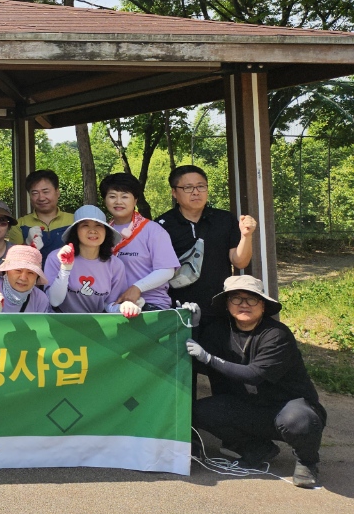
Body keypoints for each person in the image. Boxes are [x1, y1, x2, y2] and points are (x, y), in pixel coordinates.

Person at [188, 276, 325, 488]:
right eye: (236, 299)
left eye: (251, 299)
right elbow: (198, 364)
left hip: (288, 408)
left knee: (300, 421)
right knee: (200, 411)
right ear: (227, 304)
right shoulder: (217, 331)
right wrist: (193, 327)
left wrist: (210, 358)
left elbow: (253, 374)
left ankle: (307, 461)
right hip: (249, 409)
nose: (244, 304)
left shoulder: (277, 334)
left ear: (263, 305)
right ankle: (256, 448)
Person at [156, 165, 258, 317]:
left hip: (218, 304)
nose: (196, 192)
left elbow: (240, 262)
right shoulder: (162, 225)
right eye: (188, 187)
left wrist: (246, 236)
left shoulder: (224, 219)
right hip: (177, 307)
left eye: (201, 186)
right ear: (174, 192)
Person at [100, 172, 180, 311]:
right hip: (114, 306)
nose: (118, 201)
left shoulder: (153, 230)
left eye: (125, 196)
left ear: (135, 200)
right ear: (105, 200)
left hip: (150, 305)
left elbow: (166, 270)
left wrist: (137, 288)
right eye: (112, 196)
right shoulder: (102, 232)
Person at [43, 206, 133, 314]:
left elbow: (111, 305)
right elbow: (54, 301)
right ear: (75, 231)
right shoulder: (56, 258)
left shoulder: (115, 264)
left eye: (98, 225)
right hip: (61, 324)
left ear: (106, 231)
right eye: (85, 225)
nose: (93, 231)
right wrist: (65, 269)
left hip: (98, 324)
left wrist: (124, 308)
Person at [8, 170, 75, 255]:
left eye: (45, 192)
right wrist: (27, 243)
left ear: (57, 192)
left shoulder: (74, 221)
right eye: (35, 193)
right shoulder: (19, 225)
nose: (41, 198)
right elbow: (14, 260)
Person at [0, 244, 52, 313]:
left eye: (31, 272)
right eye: (18, 270)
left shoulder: (40, 299)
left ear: (37, 277)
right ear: (6, 271)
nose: (23, 278)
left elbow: (41, 327)